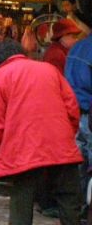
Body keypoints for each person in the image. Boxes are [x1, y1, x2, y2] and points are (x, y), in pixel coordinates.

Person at [0, 39, 82, 224]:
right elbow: (72, 107)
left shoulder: (0, 76)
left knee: (22, 201)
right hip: (60, 145)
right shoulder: (49, 69)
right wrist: (67, 133)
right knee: (69, 199)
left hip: (23, 149)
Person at [65, 32, 92, 210]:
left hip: (74, 111)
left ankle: (77, 206)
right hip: (88, 112)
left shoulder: (77, 47)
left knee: (77, 164)